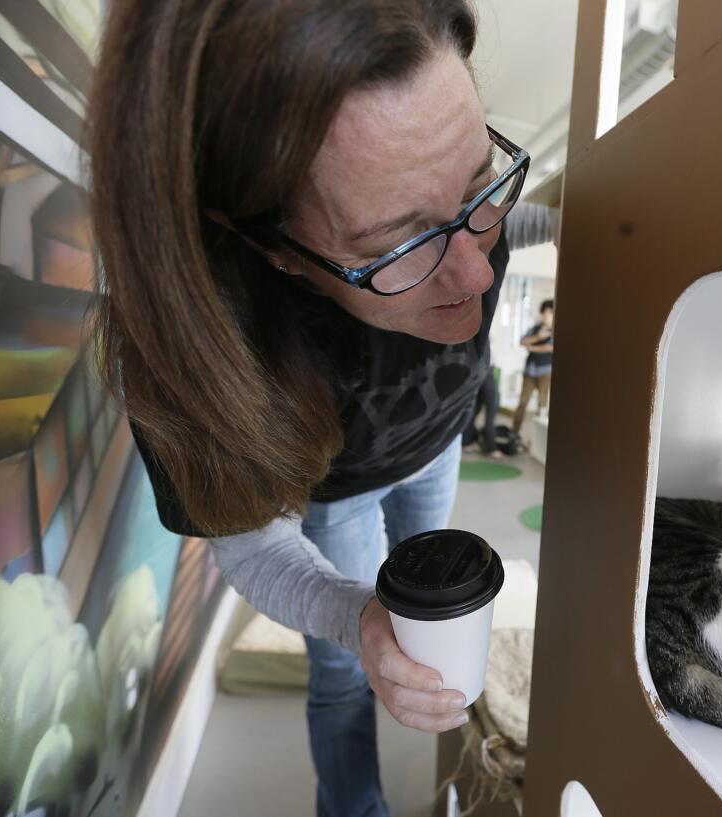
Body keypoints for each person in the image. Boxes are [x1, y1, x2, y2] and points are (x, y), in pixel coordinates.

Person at [87, 2, 549, 815]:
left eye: (481, 189)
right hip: (335, 493)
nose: (477, 277)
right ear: (267, 247)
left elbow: (512, 222)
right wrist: (355, 615)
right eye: (398, 248)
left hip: (435, 447)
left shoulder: (457, 210)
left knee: (438, 610)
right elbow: (257, 551)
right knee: (348, 670)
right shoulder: (209, 342)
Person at [512, 299, 555, 435]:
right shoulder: (536, 328)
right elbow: (522, 341)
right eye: (544, 312)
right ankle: (514, 433)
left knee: (542, 405)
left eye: (549, 312)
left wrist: (531, 347)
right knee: (522, 403)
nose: (546, 315)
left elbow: (550, 348)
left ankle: (540, 439)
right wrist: (537, 337)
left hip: (546, 372)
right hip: (530, 370)